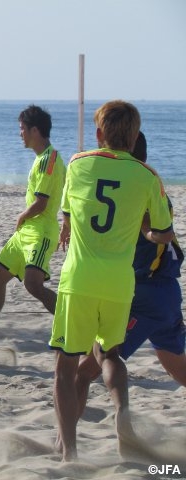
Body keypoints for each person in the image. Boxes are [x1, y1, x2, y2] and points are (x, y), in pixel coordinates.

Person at [50, 101, 174, 461]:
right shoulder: (148, 176)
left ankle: (69, 452)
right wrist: (146, 231)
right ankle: (121, 413)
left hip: (80, 279)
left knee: (66, 365)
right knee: (111, 354)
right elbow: (165, 234)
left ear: (99, 133)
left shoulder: (77, 163)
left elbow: (70, 210)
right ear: (134, 138)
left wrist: (66, 226)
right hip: (120, 283)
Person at [67, 132, 186, 448]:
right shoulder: (154, 187)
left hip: (139, 292)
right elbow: (163, 233)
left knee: (88, 369)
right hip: (169, 294)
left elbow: (151, 230)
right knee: (179, 368)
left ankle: (66, 442)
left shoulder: (132, 191)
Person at [0, 105, 65, 331]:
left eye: (22, 129)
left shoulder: (50, 158)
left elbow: (42, 203)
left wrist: (22, 215)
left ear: (35, 131)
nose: (20, 133)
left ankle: (72, 323)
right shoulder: (41, 158)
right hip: (26, 232)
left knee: (33, 285)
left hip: (41, 232)